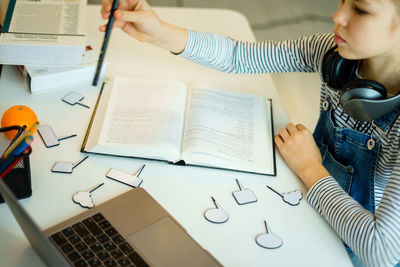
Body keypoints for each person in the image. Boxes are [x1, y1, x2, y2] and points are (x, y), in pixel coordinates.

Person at [100, 0, 400, 266]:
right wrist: (159, 32)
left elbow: (382, 251)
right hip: (311, 209)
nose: (337, 16)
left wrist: (310, 168)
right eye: (342, 0)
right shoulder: (333, 54)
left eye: (359, 9)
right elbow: (238, 56)